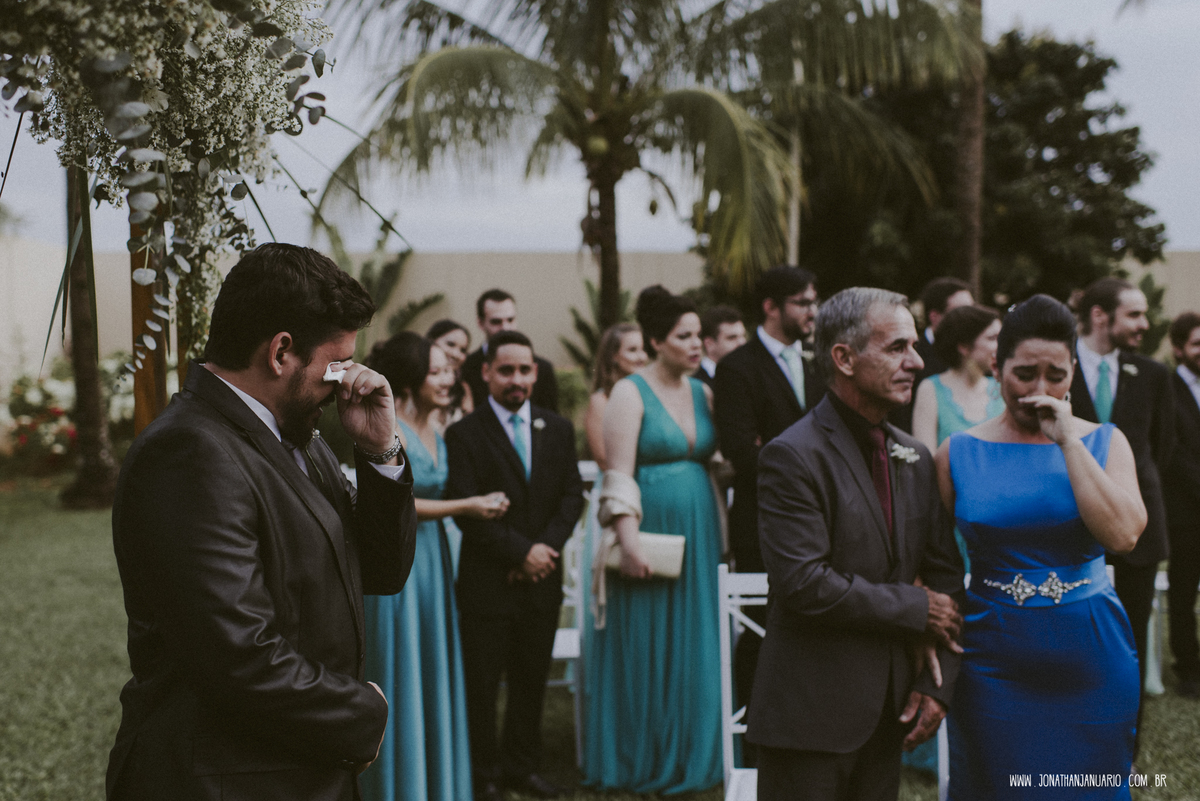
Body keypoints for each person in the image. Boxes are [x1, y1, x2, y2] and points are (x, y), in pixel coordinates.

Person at [106, 243, 419, 801]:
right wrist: (362, 710)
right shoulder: (189, 451)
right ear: (281, 352)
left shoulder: (304, 436)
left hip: (300, 768)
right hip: (228, 779)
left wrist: (378, 451)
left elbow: (381, 570)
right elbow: (236, 653)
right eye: (337, 363)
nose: (345, 381)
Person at [747, 287, 965, 801]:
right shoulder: (792, 456)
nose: (915, 361)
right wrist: (915, 607)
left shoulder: (913, 455)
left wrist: (936, 688)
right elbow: (803, 583)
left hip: (890, 712)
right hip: (809, 716)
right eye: (896, 348)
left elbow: (947, 578)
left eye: (914, 346)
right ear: (843, 358)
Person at [941, 294, 1145, 797]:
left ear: (1073, 369)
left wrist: (1069, 442)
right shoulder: (958, 453)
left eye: (1056, 374)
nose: (1040, 390)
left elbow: (1124, 535)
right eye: (1024, 373)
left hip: (1091, 658)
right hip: (993, 658)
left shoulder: (1106, 442)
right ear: (996, 366)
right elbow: (932, 558)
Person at [582, 285, 724, 794]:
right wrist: (630, 541)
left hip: (701, 525)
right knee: (645, 643)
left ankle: (692, 752)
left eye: (698, 336)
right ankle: (640, 756)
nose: (696, 345)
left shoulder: (704, 392)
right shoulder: (628, 392)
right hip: (649, 527)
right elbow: (618, 474)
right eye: (684, 336)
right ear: (657, 340)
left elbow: (714, 460)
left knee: (696, 642)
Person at [361, 332, 512, 801]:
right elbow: (400, 500)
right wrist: (468, 505)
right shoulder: (390, 429)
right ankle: (396, 783)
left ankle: (436, 780)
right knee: (402, 667)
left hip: (437, 561)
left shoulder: (443, 429)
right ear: (410, 378)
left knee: (432, 664)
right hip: (400, 558)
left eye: (449, 370)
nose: (449, 378)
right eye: (437, 371)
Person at [445, 331, 584, 801]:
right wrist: (518, 553)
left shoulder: (558, 428)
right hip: (488, 580)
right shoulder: (463, 434)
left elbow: (571, 497)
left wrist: (542, 551)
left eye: (525, 370)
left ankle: (521, 770)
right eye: (506, 370)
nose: (517, 379)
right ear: (486, 373)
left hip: (541, 580)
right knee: (482, 686)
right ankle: (483, 775)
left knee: (531, 680)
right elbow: (463, 508)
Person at [712, 265, 821, 747]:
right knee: (761, 628)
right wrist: (813, 475)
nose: (812, 311)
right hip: (762, 521)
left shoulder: (821, 364)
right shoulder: (737, 367)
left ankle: (807, 729)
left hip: (823, 521)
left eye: (814, 300)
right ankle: (753, 737)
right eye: (802, 302)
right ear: (771, 307)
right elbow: (743, 451)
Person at [1068, 276, 1173, 750]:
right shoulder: (1060, 367)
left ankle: (1122, 746)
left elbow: (1163, 449)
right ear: (1099, 316)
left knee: (1128, 644)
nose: (1144, 324)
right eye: (1134, 314)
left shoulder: (1151, 374)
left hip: (1138, 533)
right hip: (1073, 529)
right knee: (1075, 643)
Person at [912, 305, 1003, 456]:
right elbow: (925, 462)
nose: (1000, 347)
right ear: (964, 346)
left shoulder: (1002, 387)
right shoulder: (931, 389)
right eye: (992, 338)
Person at [1164, 311, 1200, 698]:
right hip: (1186, 513)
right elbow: (1173, 451)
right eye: (1196, 344)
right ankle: (1188, 667)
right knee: (1183, 589)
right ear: (1178, 349)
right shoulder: (1168, 388)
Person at [892, 277, 974, 433]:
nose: (970, 317)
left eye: (972, 309)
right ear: (935, 317)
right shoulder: (912, 359)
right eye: (961, 311)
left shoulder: (975, 356)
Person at [460, 289, 559, 413]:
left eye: (510, 320)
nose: (505, 327)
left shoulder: (543, 369)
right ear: (480, 323)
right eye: (496, 322)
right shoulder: (466, 368)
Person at [584, 322, 648, 469]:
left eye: (644, 349)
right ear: (614, 356)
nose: (642, 356)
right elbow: (603, 459)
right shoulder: (601, 401)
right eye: (632, 350)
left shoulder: (648, 396)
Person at [426, 319, 475, 424]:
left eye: (463, 350)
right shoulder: (415, 381)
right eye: (450, 344)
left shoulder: (463, 390)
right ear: (432, 340)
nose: (456, 354)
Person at [695, 304, 746, 389]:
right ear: (709, 344)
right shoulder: (697, 384)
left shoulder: (748, 377)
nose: (742, 342)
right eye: (732, 338)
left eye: (743, 336)